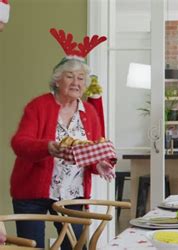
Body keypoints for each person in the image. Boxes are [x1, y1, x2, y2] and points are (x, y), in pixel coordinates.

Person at [9, 28, 113, 249]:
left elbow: (91, 151)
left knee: (75, 247)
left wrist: (99, 164)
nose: (76, 82)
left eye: (81, 78)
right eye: (70, 76)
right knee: (32, 246)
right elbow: (19, 143)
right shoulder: (37, 106)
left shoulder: (89, 113)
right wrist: (47, 147)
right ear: (57, 80)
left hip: (72, 194)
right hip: (31, 192)